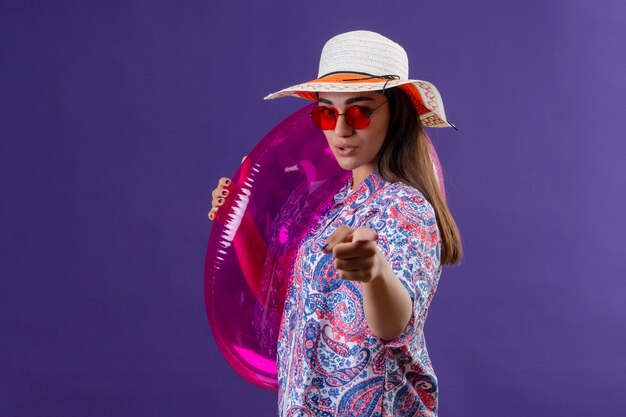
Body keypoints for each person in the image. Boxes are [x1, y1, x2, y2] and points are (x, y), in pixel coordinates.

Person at [209, 30, 462, 417]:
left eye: (360, 111)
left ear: (396, 113)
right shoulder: (328, 205)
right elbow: (279, 295)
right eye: (327, 111)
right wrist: (237, 223)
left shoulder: (405, 207)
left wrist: (375, 273)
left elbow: (393, 324)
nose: (341, 129)